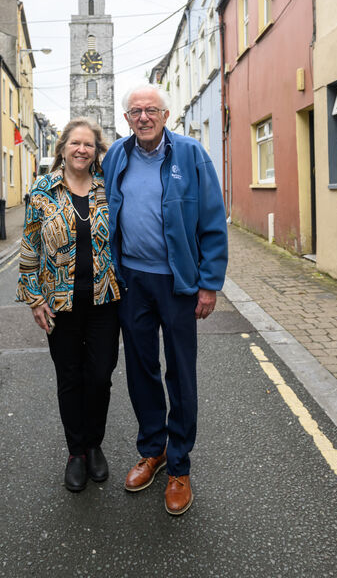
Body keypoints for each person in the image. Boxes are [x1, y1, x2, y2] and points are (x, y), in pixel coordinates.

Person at [102, 84, 228, 515]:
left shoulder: (191, 155)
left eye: (150, 110)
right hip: (132, 281)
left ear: (165, 114)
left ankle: (179, 466)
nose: (143, 117)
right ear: (126, 119)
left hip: (178, 283)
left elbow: (213, 220)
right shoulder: (116, 155)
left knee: (181, 374)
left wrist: (209, 283)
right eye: (135, 111)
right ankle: (152, 450)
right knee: (140, 370)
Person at [17, 118, 120, 492]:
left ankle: (95, 443)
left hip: (105, 299)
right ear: (62, 148)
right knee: (69, 377)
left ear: (96, 151)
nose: (81, 150)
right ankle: (76, 451)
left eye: (89, 145)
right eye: (75, 143)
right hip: (59, 302)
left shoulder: (109, 189)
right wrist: (33, 298)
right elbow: (30, 245)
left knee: (99, 376)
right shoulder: (43, 190)